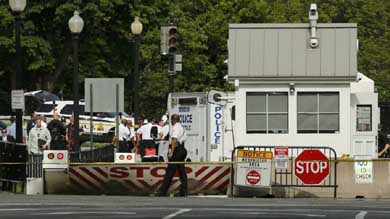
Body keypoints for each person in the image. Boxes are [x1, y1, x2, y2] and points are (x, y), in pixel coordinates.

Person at [159, 114, 188, 197]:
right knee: (182, 171)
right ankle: (184, 191)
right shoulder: (181, 127)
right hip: (182, 149)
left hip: (177, 150)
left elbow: (174, 139)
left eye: (171, 120)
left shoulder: (176, 127)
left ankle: (163, 191)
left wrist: (171, 152)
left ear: (173, 120)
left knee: (170, 171)